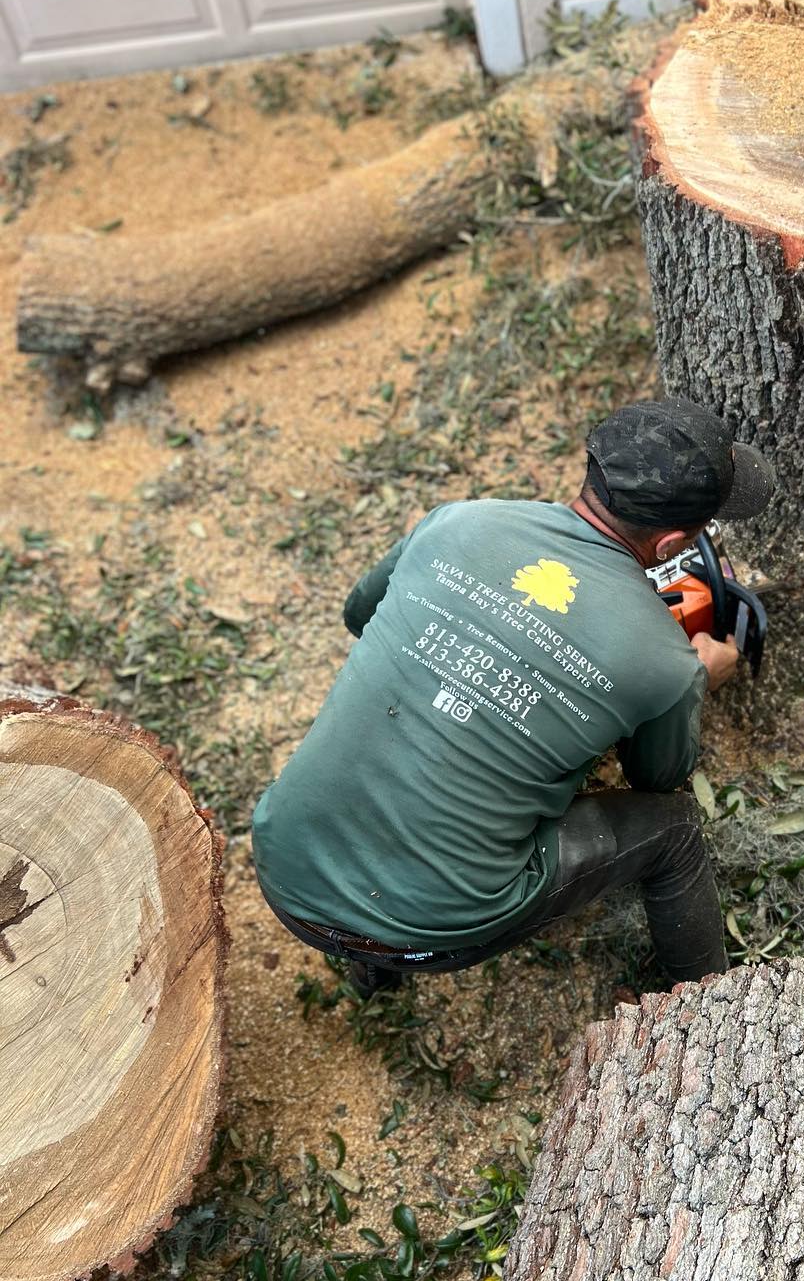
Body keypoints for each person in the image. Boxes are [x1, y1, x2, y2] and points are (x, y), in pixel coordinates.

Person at [252, 397, 775, 997]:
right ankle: (712, 1008)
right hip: (442, 930)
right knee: (676, 828)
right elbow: (659, 776)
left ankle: (371, 970)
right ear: (671, 544)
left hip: (285, 870)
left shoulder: (457, 523)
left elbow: (357, 614)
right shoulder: (664, 662)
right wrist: (699, 679)